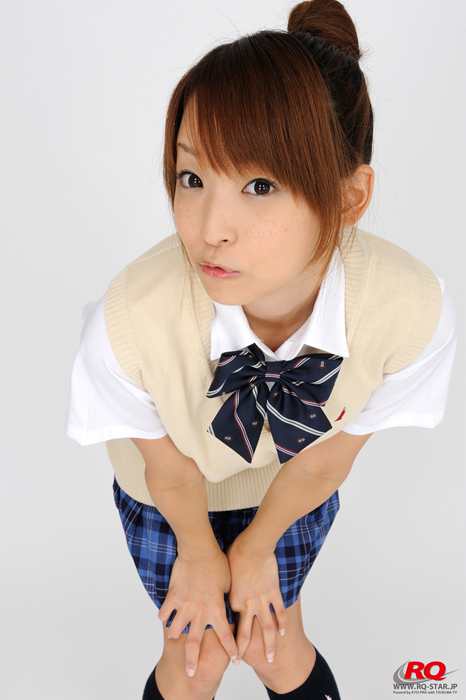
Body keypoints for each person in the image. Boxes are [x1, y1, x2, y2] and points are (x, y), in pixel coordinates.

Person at [66, 1, 457, 698]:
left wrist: (258, 545)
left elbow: (328, 458)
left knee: (274, 644)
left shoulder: (406, 309)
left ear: (350, 198)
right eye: (192, 178)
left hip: (291, 482)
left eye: (259, 185)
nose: (210, 228)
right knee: (197, 659)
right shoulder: (133, 319)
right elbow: (168, 469)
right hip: (167, 492)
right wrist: (198, 551)